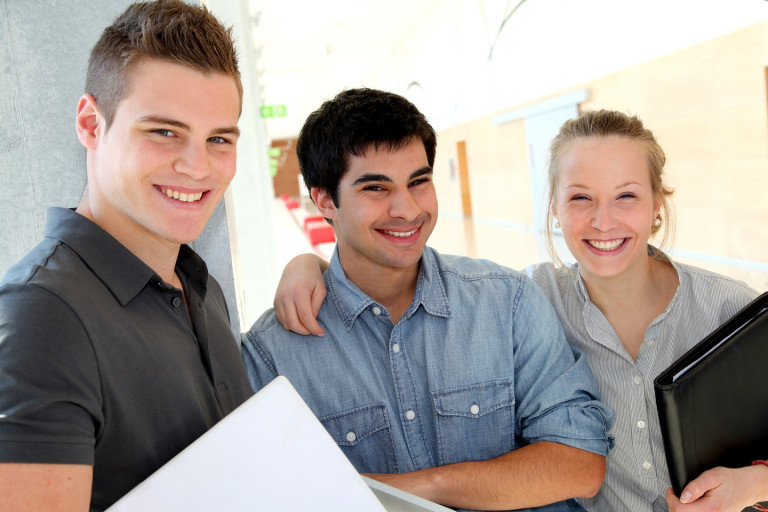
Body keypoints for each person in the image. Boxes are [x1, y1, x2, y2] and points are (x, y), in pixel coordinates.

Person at [274, 109, 768, 512]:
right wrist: (312, 264)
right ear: (554, 206)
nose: (603, 221)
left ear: (657, 203)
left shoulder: (732, 310)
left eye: (627, 197)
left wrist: (753, 486)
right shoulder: (531, 297)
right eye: (580, 198)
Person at [242, 87, 615, 512]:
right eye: (375, 188)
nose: (407, 209)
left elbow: (581, 464)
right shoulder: (272, 358)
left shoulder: (506, 302)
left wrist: (423, 488)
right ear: (325, 200)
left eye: (419, 182)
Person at [0, 1, 253, 510]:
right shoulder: (41, 313)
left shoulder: (201, 287)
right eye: (164, 132)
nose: (197, 167)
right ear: (92, 125)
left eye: (218, 139)